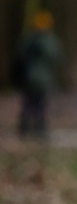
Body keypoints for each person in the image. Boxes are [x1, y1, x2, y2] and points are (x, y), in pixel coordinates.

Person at [14, 10, 62, 138]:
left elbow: (20, 57)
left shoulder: (28, 39)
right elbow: (56, 58)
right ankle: (39, 131)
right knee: (40, 106)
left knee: (28, 104)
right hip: (43, 80)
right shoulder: (50, 40)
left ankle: (24, 130)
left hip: (29, 78)